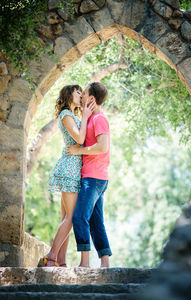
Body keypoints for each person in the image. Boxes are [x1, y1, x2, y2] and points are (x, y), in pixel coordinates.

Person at [42, 84, 95, 267]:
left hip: (74, 168)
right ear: (68, 95)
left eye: (82, 92)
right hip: (69, 169)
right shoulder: (66, 115)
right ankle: (51, 257)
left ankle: (61, 262)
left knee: (66, 218)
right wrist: (86, 116)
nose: (81, 95)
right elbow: (79, 140)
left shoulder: (74, 116)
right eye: (77, 92)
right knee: (71, 218)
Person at [67, 82, 112, 268]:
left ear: (92, 99)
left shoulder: (99, 119)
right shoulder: (92, 119)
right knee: (96, 221)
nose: (82, 97)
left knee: (79, 217)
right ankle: (105, 263)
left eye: (84, 94)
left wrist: (79, 151)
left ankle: (84, 264)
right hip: (96, 177)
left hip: (94, 178)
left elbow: (103, 147)